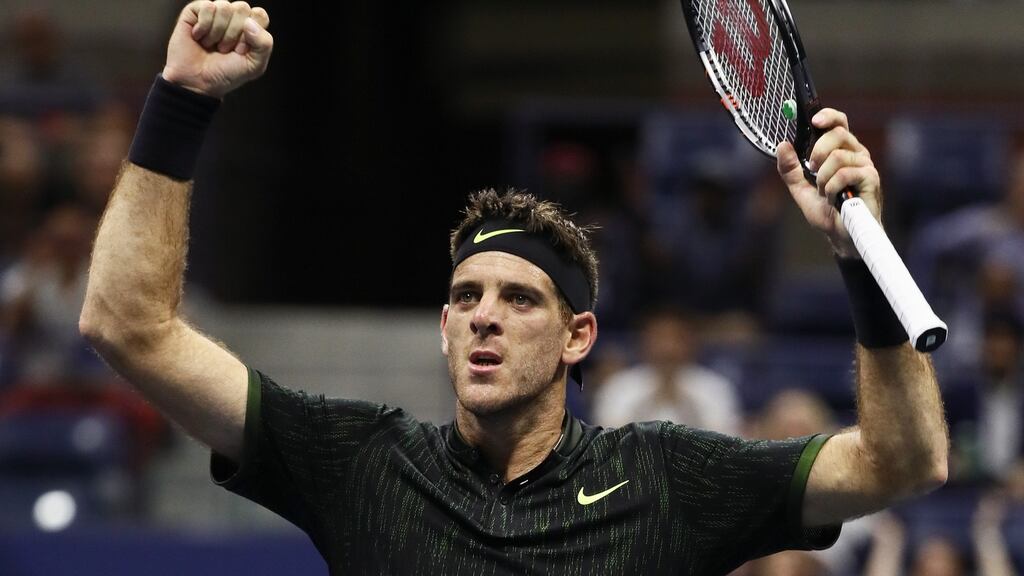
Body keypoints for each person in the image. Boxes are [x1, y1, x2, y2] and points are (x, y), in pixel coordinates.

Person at [79, 2, 948, 573]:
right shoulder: (362, 464)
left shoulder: (667, 477)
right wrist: (183, 99)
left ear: (580, 338)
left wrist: (858, 264)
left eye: (520, 298)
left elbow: (903, 463)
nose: (484, 316)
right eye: (465, 297)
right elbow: (127, 325)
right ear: (443, 329)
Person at [592, 306, 742, 434]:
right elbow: (608, 438)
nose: (667, 348)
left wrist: (683, 400)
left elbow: (725, 440)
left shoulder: (716, 388)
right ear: (644, 341)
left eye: (676, 338)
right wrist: (652, 398)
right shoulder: (619, 386)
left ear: (691, 343)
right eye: (660, 338)